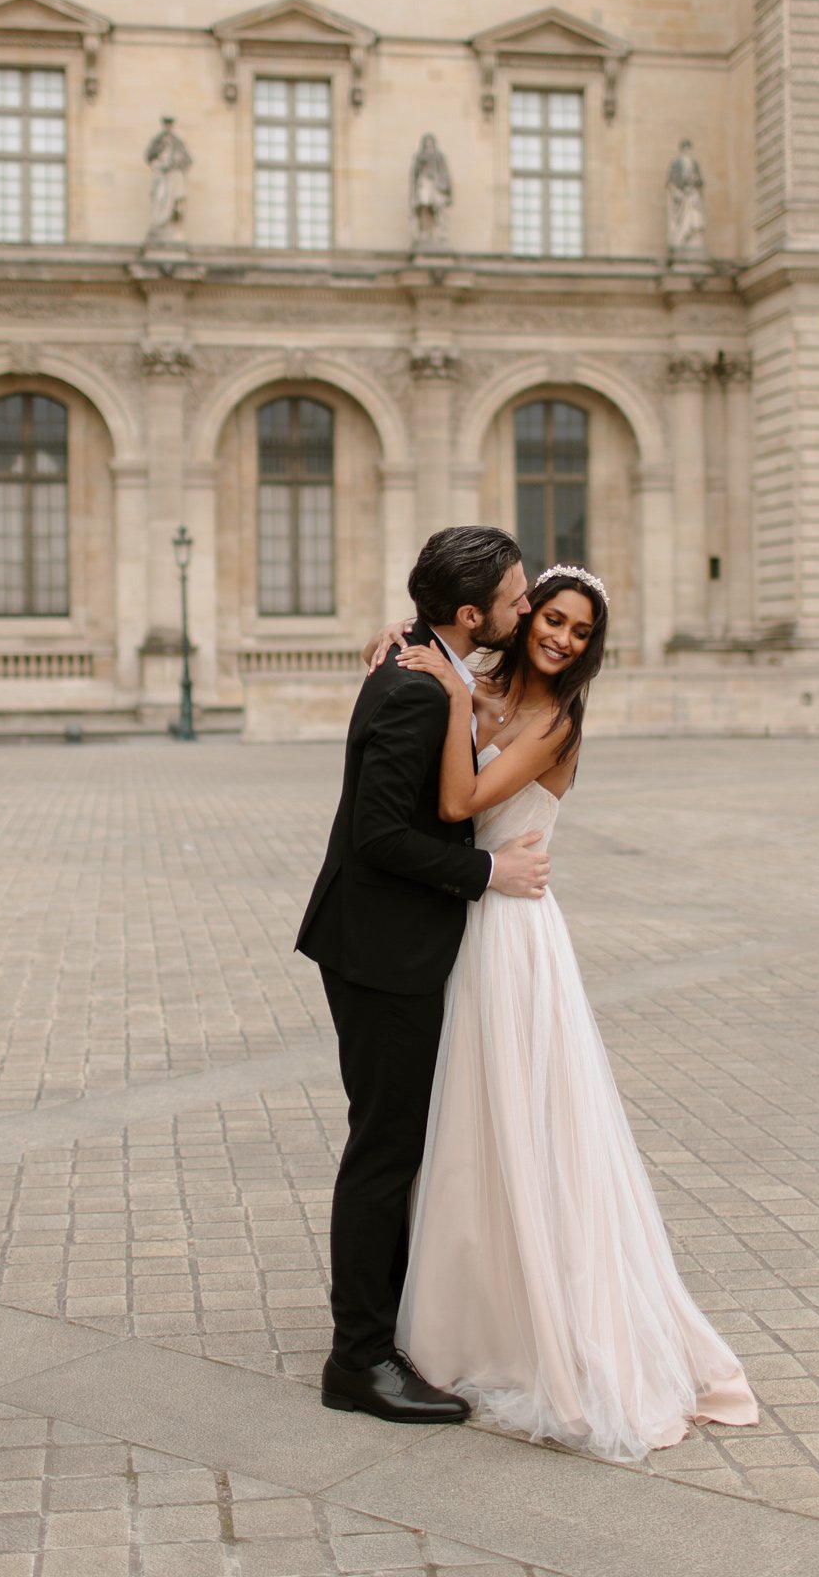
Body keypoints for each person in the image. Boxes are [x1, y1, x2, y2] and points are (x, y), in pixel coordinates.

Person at [368, 564, 759, 1462]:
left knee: (525, 1119)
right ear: (524, 615)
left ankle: (534, 1319)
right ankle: (472, 1310)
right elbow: (444, 674)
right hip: (469, 919)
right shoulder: (489, 683)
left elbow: (460, 801)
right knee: (469, 1125)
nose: (563, 639)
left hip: (513, 932)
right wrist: (419, 649)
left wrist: (447, 687)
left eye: (581, 631)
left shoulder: (554, 720)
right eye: (552, 619)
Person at [295, 525, 552, 1424]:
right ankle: (358, 1360)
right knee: (385, 1151)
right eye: (516, 599)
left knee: (396, 1145)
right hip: (380, 951)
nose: (526, 611)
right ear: (470, 612)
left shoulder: (424, 662)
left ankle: (384, 1327)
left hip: (389, 943)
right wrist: (488, 873)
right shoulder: (412, 687)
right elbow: (379, 835)